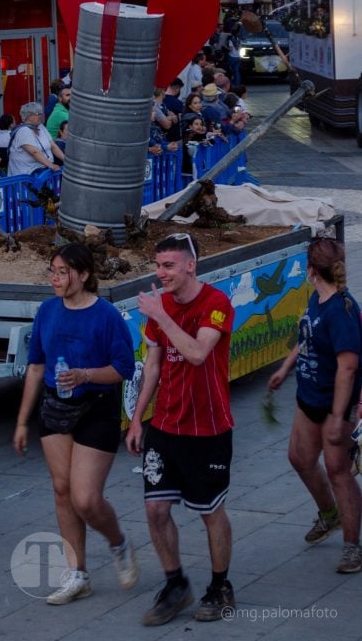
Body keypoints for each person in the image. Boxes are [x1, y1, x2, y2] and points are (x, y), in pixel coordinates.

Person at [13, 243, 137, 605]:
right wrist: (22, 422)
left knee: (86, 498)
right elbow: (36, 367)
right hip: (55, 407)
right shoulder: (48, 311)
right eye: (53, 270)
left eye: (63, 271)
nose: (56, 278)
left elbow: (123, 369)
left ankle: (118, 543)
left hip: (97, 406)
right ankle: (77, 573)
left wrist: (86, 375)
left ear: (83, 275)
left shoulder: (106, 315)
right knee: (62, 490)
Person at [126, 233, 235, 626]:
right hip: (165, 426)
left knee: (210, 512)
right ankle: (175, 584)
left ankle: (220, 585)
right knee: (155, 510)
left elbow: (196, 353)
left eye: (169, 265)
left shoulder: (217, 305)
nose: (161, 273)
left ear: (191, 265)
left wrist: (160, 316)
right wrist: (138, 418)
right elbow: (153, 366)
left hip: (208, 429)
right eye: (158, 266)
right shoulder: (162, 308)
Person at [268, 237, 362, 575]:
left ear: (311, 270)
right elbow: (308, 335)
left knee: (338, 471)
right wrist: (285, 367)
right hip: (308, 398)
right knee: (300, 458)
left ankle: (353, 547)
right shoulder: (318, 297)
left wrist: (339, 418)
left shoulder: (342, 311)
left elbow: (348, 368)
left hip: (334, 404)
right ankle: (330, 515)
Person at [7, 102, 65, 177]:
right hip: (26, 177)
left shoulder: (41, 127)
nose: (41, 116)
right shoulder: (23, 131)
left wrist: (66, 160)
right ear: (28, 116)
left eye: (41, 113)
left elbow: (53, 146)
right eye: (38, 114)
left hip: (42, 172)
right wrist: (51, 165)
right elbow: (34, 152)